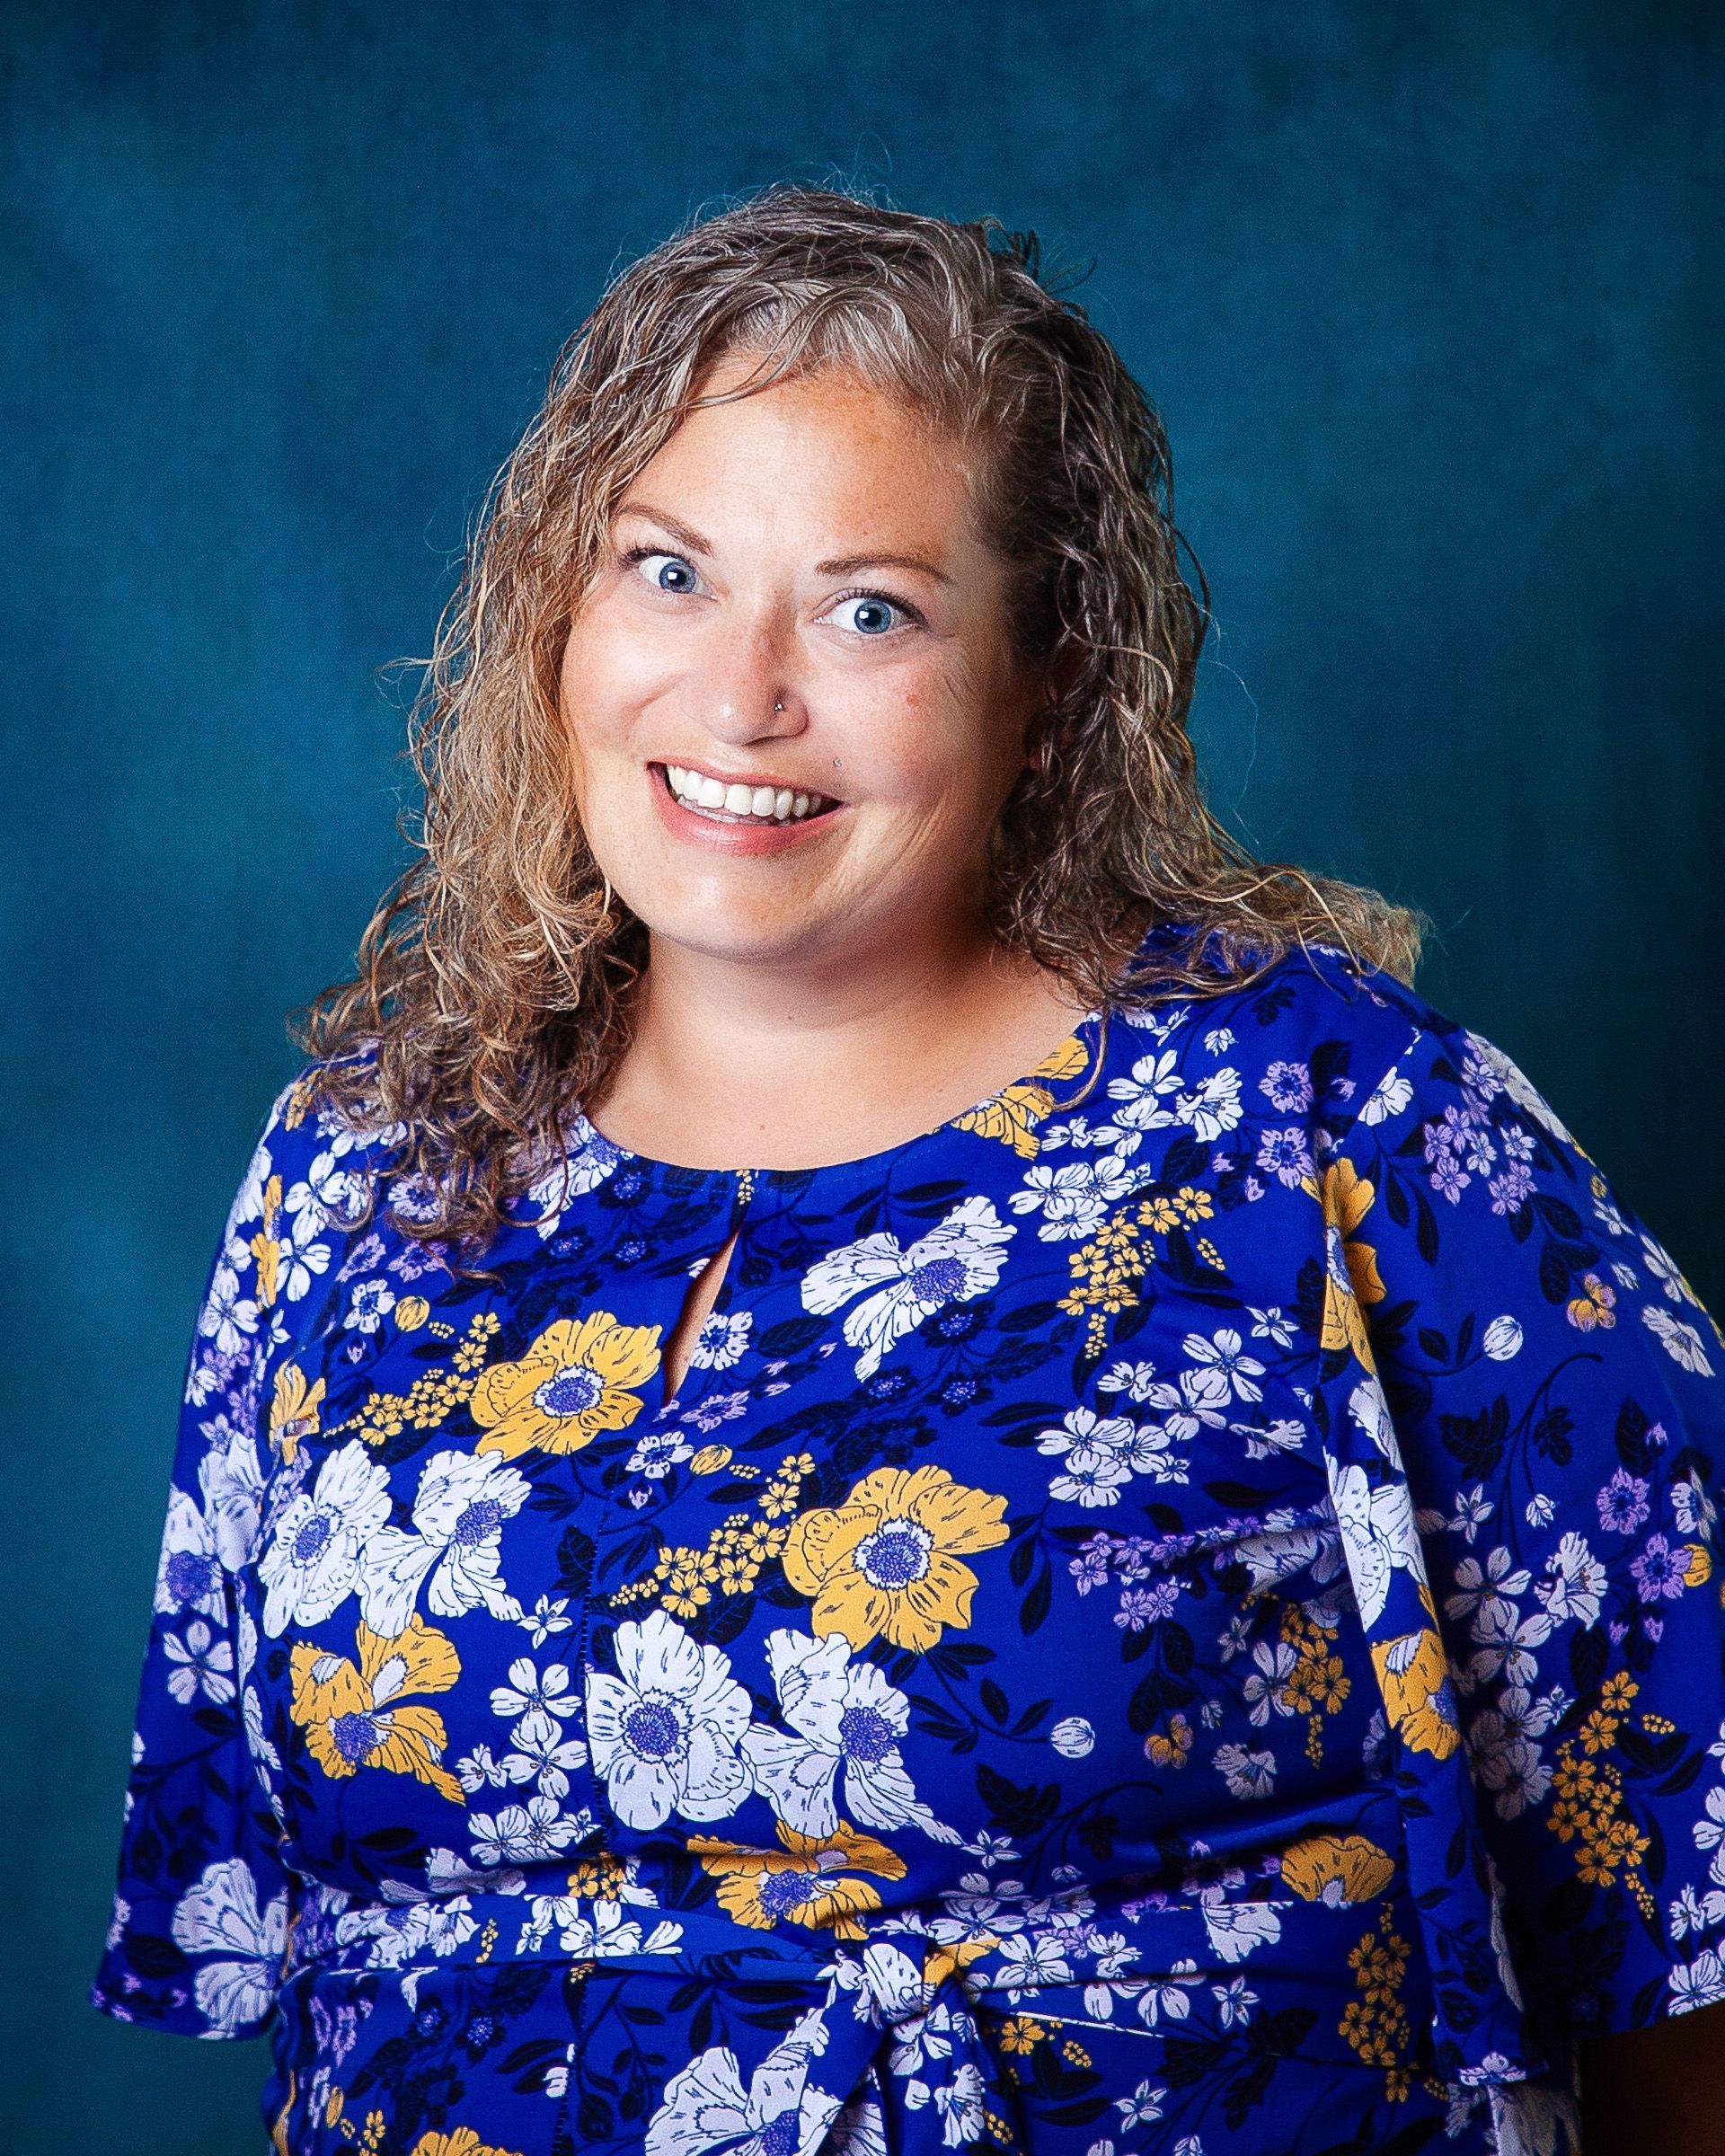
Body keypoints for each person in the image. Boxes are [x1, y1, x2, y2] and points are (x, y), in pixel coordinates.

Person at [93, 185, 1725, 2156]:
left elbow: (1689, 1889)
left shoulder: (1328, 1119)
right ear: (557, 608)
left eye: (870, 607)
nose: (740, 697)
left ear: (1049, 689)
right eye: (667, 570)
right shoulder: (357, 1165)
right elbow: (323, 1965)